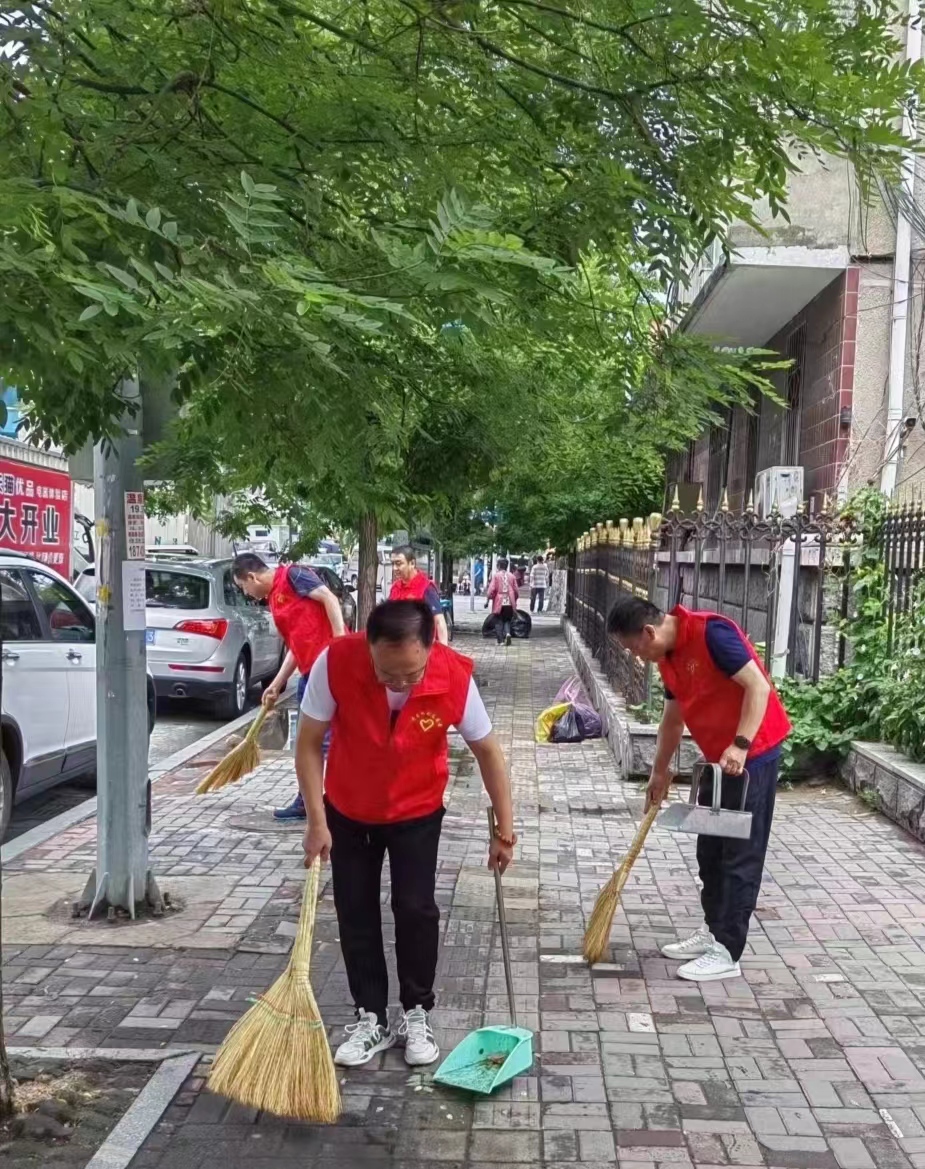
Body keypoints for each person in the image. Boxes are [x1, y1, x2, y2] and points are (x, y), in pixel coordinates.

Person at [296, 600, 515, 1068]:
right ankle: (370, 1016)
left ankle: (417, 1011)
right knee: (355, 910)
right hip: (349, 809)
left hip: (417, 809)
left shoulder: (454, 675)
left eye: (410, 675)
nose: (398, 684)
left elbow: (488, 752)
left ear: (430, 648)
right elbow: (309, 743)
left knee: (416, 909)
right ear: (369, 647)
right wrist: (316, 821)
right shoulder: (336, 662)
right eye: (386, 673)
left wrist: (505, 830)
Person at [606, 594, 790, 984]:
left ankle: (728, 950)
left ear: (649, 632)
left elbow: (758, 687)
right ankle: (713, 929)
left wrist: (741, 744)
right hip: (717, 762)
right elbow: (672, 721)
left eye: (634, 648)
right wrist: (659, 773)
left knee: (740, 854)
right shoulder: (669, 658)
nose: (638, 657)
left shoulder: (712, 634)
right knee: (710, 850)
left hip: (753, 755)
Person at [233, 552, 346, 820]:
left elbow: (329, 598)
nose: (247, 594)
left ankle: (330, 802)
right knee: (308, 743)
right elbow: (298, 644)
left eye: (243, 587)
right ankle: (309, 800)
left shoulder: (294, 576)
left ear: (252, 577)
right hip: (310, 674)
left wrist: (340, 643)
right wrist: (277, 683)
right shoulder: (274, 598)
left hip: (329, 670)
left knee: (321, 741)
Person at [389, 545, 449, 645]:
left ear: (412, 563)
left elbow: (439, 621)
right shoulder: (395, 588)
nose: (394, 568)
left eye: (398, 564)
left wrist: (444, 650)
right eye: (393, 564)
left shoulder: (426, 588)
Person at [486, 558, 519, 646]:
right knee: (507, 620)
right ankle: (508, 633)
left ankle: (500, 641)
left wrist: (488, 599)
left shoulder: (496, 576)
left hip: (499, 602)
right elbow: (516, 591)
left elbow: (491, 590)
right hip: (509, 601)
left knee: (498, 621)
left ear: (499, 566)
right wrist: (514, 600)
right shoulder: (512, 576)